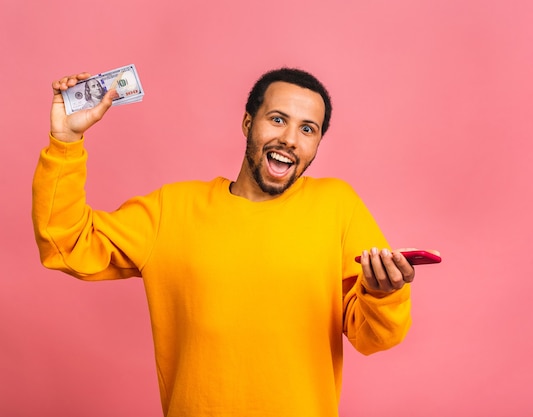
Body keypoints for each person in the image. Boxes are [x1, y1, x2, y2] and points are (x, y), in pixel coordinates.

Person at [33, 68, 430, 416]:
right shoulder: (172, 209)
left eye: (308, 129)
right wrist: (65, 141)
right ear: (247, 124)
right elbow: (66, 243)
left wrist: (381, 295)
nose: (290, 138)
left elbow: (375, 338)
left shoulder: (337, 204)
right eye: (278, 119)